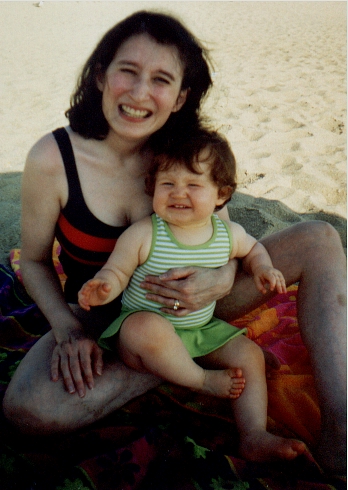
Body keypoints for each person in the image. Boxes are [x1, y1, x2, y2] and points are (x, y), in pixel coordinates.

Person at [2, 10, 346, 474]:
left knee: (321, 237)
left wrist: (219, 282)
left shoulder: (187, 151)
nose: (141, 93)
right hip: (111, 324)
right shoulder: (54, 158)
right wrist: (67, 329)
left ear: (182, 95)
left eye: (161, 79)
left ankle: (341, 424)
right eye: (128, 71)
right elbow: (39, 262)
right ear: (101, 75)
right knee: (27, 409)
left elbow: (222, 239)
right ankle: (188, 363)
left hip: (202, 305)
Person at [77, 128, 305, 462]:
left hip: (199, 330)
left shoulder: (227, 234)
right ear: (152, 188)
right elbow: (118, 270)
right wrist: (103, 287)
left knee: (249, 356)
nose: (178, 193)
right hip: (144, 334)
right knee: (144, 328)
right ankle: (201, 380)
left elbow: (254, 249)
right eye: (167, 184)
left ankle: (253, 435)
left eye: (193, 185)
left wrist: (263, 269)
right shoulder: (145, 233)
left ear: (221, 195)